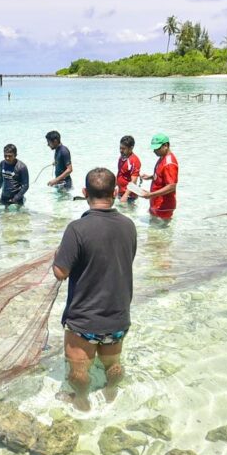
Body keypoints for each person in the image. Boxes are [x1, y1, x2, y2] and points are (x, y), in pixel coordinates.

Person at [53, 168, 137, 412]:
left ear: (84, 193)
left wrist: (57, 256)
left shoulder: (77, 229)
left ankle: (81, 400)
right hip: (118, 318)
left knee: (78, 371)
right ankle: (111, 392)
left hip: (84, 322)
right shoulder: (129, 225)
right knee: (113, 364)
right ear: (116, 192)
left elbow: (61, 272)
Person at [133, 133, 178, 220]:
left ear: (166, 145)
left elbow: (171, 186)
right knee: (153, 229)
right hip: (156, 202)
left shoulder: (169, 163)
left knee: (161, 231)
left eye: (156, 148)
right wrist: (150, 177)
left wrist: (151, 194)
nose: (154, 151)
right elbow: (162, 177)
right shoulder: (162, 157)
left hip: (164, 206)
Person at [0, 143, 29, 208]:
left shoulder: (22, 167)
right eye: (5, 155)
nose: (7, 158)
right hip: (4, 196)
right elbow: (0, 179)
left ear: (15, 155)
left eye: (10, 156)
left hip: (17, 198)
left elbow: (25, 185)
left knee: (19, 217)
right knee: (3, 216)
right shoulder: (2, 163)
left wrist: (15, 198)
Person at [116, 135, 141, 203]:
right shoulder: (121, 158)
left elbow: (134, 181)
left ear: (131, 148)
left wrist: (125, 195)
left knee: (129, 214)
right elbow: (119, 174)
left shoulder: (134, 161)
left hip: (130, 197)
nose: (121, 150)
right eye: (120, 148)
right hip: (120, 193)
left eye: (123, 148)